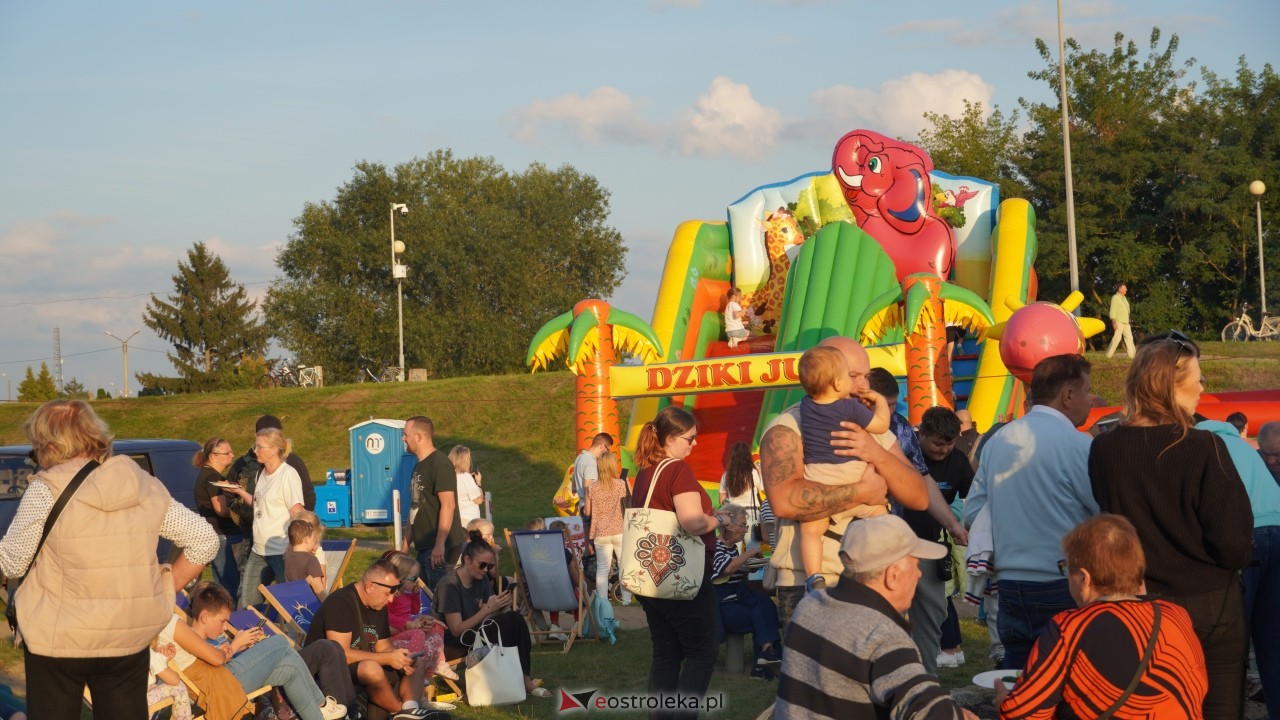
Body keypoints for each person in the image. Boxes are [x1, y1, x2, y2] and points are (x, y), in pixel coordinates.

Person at [0, 399, 218, 720]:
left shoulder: (46, 489)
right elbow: (204, 540)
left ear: (49, 443)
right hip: (127, 636)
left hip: (59, 637)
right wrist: (164, 588)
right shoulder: (143, 484)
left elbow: (13, 563)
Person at [1089, 334, 1254, 720]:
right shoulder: (1203, 447)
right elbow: (1233, 543)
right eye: (1196, 378)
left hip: (1137, 605)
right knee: (1217, 709)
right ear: (1169, 386)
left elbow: (1109, 520)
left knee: (1149, 708)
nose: (1202, 387)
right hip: (1208, 606)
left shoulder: (1104, 449)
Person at [758, 336, 930, 625]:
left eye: (865, 376)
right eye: (853, 377)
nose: (863, 386)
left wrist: (874, 452)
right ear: (830, 377)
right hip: (812, 583)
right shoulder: (787, 428)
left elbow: (919, 497)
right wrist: (862, 491)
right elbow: (784, 501)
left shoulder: (865, 424)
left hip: (874, 577)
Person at [996, 515, 1208, 719]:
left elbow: (1021, 714)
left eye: (1067, 569)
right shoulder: (1176, 615)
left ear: (1084, 578)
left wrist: (1004, 701)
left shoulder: (1070, 628)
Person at [963, 354, 1098, 672]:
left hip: (1009, 583)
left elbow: (972, 513)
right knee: (1064, 680)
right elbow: (1102, 514)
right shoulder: (1077, 445)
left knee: (1017, 679)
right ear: (1067, 395)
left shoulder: (999, 441)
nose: (1091, 399)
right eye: (1087, 390)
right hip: (1061, 580)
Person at [775, 515, 975, 720]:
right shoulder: (880, 633)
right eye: (915, 565)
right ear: (893, 575)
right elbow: (924, 709)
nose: (919, 575)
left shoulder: (810, 605)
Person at [631, 405, 725, 719]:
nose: (694, 444)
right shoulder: (676, 470)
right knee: (702, 651)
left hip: (652, 576)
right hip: (683, 576)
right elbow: (692, 522)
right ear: (671, 439)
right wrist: (718, 519)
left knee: (667, 652)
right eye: (690, 438)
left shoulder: (647, 472)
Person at [164, 581, 348, 720]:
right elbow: (216, 660)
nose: (225, 627)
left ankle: (318, 713)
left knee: (290, 669)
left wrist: (226, 650)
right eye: (222, 621)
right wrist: (234, 646)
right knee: (279, 642)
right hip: (222, 681)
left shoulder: (175, 628)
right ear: (204, 617)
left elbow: (211, 658)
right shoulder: (173, 624)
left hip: (222, 677)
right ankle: (321, 703)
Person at [1197, 416, 1280, 718]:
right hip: (1278, 529)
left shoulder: (1202, 446)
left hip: (1246, 537)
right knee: (1273, 641)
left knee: (1235, 645)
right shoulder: (1244, 447)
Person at [795, 345, 891, 590]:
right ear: (838, 384)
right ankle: (884, 563)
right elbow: (880, 426)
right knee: (879, 515)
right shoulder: (849, 408)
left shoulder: (806, 406)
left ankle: (814, 576)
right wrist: (879, 401)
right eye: (850, 377)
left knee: (810, 531)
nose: (857, 383)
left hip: (819, 476)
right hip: (852, 471)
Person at [305, 559, 436, 719]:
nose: (391, 600)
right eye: (387, 594)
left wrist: (399, 656)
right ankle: (400, 712)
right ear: (369, 586)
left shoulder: (377, 604)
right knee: (371, 669)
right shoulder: (341, 603)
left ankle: (410, 709)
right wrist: (387, 658)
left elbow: (383, 646)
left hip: (363, 665)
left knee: (415, 662)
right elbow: (340, 655)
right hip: (331, 674)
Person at [433, 532, 550, 698]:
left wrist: (500, 607)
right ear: (467, 560)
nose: (486, 570)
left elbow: (488, 616)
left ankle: (524, 679)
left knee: (514, 618)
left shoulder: (480, 580)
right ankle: (516, 679)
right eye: (482, 565)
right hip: (452, 646)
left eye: (489, 566)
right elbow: (457, 630)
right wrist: (488, 609)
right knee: (507, 622)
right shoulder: (450, 585)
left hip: (475, 635)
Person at [914, 407, 973, 670]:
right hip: (902, 536)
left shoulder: (958, 461)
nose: (943, 450)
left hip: (936, 542)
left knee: (938, 601)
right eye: (938, 443)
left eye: (949, 444)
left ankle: (942, 651)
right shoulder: (907, 455)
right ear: (922, 434)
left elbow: (972, 496)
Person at [225, 427, 306, 608]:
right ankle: (252, 635)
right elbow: (260, 503)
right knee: (247, 604)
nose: (255, 451)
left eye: (259, 447)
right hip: (259, 549)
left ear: (274, 449)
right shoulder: (261, 473)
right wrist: (239, 491)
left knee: (291, 604)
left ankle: (294, 635)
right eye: (255, 446)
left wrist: (295, 545)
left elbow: (297, 512)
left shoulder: (288, 474)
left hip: (281, 551)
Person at [712, 503, 781, 680]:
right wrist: (750, 554)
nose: (745, 530)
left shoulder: (732, 549)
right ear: (727, 525)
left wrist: (747, 568)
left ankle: (766, 654)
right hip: (722, 608)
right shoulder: (714, 547)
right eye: (742, 525)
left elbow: (735, 569)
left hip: (738, 599)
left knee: (764, 603)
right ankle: (768, 654)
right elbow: (726, 568)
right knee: (759, 610)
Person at [402, 416, 463, 593]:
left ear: (419, 437)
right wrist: (405, 548)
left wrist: (439, 544)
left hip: (436, 550)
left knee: (437, 600)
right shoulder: (418, 466)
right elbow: (414, 508)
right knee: (422, 598)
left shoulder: (440, 463)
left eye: (406, 434)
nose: (403, 438)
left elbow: (448, 505)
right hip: (424, 548)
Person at [381, 551, 456, 683]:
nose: (417, 582)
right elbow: (387, 616)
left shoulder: (408, 593)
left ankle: (438, 664)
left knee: (437, 626)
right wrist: (406, 623)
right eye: (414, 578)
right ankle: (413, 664)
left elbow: (415, 610)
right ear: (401, 578)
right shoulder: (393, 596)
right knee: (418, 634)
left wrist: (415, 595)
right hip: (396, 633)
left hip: (409, 628)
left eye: (418, 578)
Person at [193, 436, 243, 605]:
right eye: (227, 452)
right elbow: (221, 510)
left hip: (216, 535)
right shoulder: (213, 479)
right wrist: (242, 510)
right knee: (229, 586)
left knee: (223, 582)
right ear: (214, 455)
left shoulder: (207, 475)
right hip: (224, 535)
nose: (232, 455)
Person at [585, 449, 632, 605]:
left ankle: (603, 601)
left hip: (600, 533)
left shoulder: (592, 487)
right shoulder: (620, 484)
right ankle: (626, 599)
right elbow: (630, 504)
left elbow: (587, 511)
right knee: (623, 565)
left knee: (602, 569)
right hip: (619, 530)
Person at [719, 441, 765, 539]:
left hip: (733, 515)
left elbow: (721, 499)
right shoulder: (754, 473)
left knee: (735, 547)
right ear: (748, 456)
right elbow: (765, 490)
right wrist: (758, 469)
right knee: (752, 547)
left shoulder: (726, 475)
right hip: (752, 513)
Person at [284, 517, 328, 600]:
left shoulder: (287, 557)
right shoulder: (311, 560)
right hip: (310, 604)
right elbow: (318, 588)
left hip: (294, 602)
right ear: (307, 539)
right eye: (314, 539)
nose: (315, 542)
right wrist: (328, 604)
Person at [448, 445, 484, 529]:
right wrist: (478, 482)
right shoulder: (465, 477)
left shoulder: (448, 475)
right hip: (469, 519)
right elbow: (478, 500)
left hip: (453, 517)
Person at [1105, 282, 1135, 359]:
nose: (1126, 289)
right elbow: (1113, 310)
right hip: (1118, 322)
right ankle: (1108, 355)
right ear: (1120, 289)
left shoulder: (1124, 298)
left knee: (1129, 338)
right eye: (1124, 288)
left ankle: (1132, 356)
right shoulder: (1115, 298)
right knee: (1117, 339)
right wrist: (1113, 321)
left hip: (1126, 322)